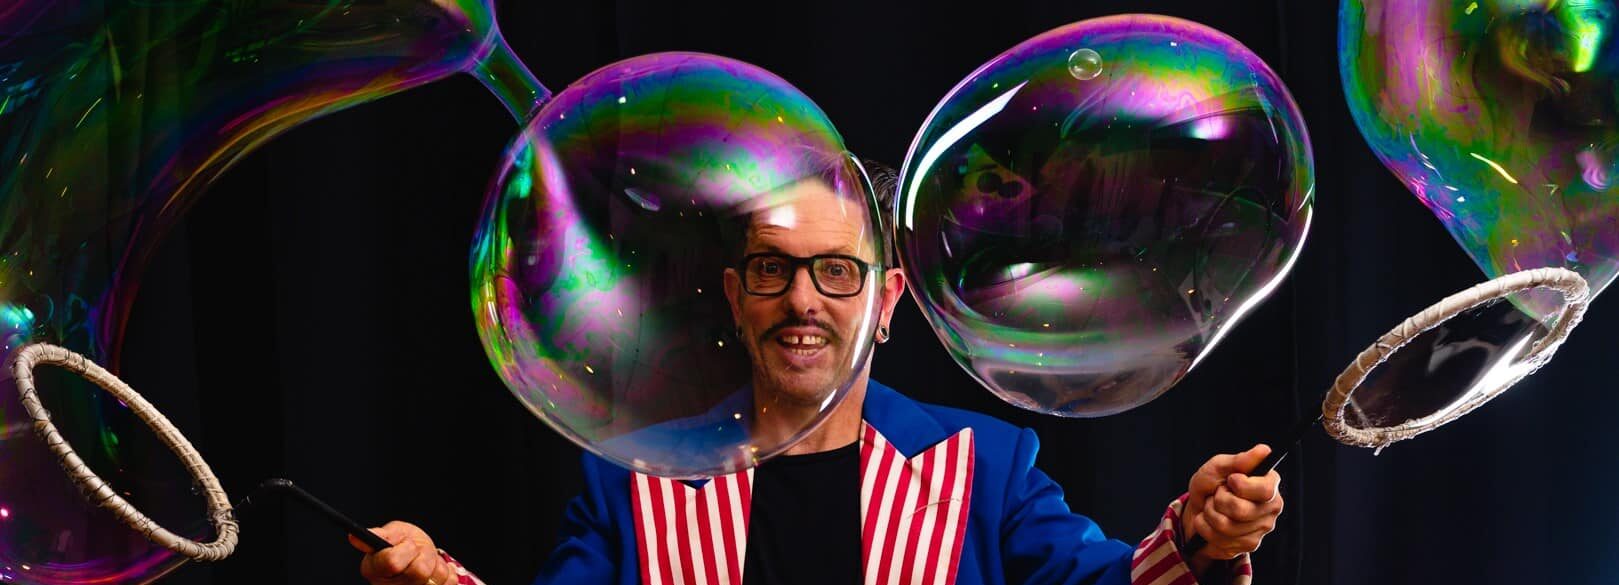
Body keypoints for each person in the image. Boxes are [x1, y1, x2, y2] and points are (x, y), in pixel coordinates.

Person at [349, 172, 1284, 585]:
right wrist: (433, 581)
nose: (804, 300)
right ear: (736, 295)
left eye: (837, 271)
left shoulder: (984, 465)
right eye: (773, 269)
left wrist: (1199, 541)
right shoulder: (635, 477)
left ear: (885, 300)